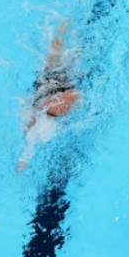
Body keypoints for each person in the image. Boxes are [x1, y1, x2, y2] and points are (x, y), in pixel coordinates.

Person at [17, 20, 81, 173]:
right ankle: (65, 25)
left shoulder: (49, 114)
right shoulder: (36, 127)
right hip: (47, 96)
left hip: (50, 96)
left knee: (59, 55)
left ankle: (65, 25)